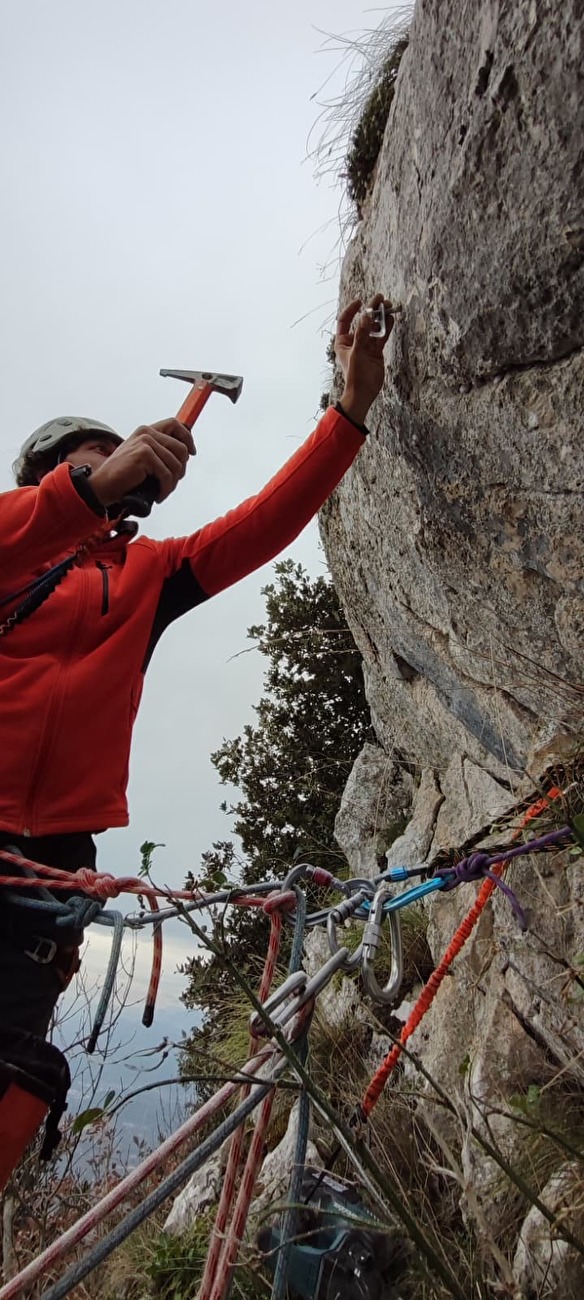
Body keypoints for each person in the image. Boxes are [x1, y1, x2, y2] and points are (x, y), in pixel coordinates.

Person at [0, 294, 394, 1181]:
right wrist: (86, 494)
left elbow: (263, 524)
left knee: (12, 1071)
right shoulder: (15, 547)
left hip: (56, 863)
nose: (121, 468)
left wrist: (352, 409)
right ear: (45, 478)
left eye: (125, 460)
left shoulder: (148, 573)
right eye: (90, 460)